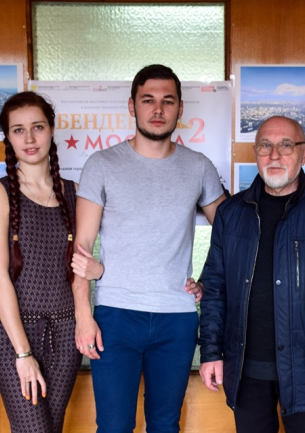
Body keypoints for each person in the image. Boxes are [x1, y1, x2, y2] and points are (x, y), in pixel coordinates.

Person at [72, 64, 226, 432]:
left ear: (180, 109)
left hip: (177, 316)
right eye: (148, 100)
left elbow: (233, 234)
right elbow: (82, 249)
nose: (158, 109)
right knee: (114, 427)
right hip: (116, 316)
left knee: (165, 425)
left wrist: (208, 281)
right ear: (132, 106)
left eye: (167, 101)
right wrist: (83, 315)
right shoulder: (102, 165)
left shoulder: (199, 167)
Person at [198, 116, 305, 433]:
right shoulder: (230, 214)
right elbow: (215, 289)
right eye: (266, 145)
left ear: (304, 153)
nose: (274, 155)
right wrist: (210, 352)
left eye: (286, 145)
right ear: (255, 152)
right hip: (246, 371)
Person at [0, 91, 103, 433]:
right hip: (13, 336)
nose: (29, 138)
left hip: (66, 335)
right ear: (8, 137)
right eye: (18, 130)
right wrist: (23, 354)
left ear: (51, 130)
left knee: (52, 428)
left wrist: (99, 270)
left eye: (37, 127)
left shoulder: (75, 192)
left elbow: (90, 258)